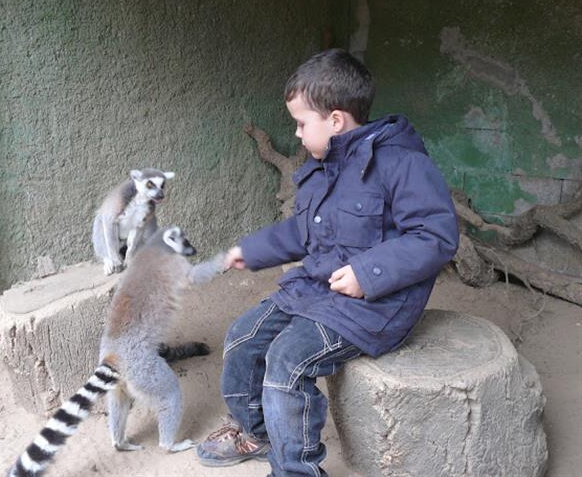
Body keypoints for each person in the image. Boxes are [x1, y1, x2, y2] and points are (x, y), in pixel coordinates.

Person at [196, 48, 459, 476]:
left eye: (301, 124)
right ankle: (257, 432)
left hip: (374, 305)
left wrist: (367, 273)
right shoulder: (324, 167)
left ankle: (295, 470)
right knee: (243, 337)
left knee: (287, 360)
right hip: (316, 289)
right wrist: (252, 249)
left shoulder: (402, 163)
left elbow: (436, 237)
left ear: (335, 121)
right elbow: (303, 233)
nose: (297, 135)